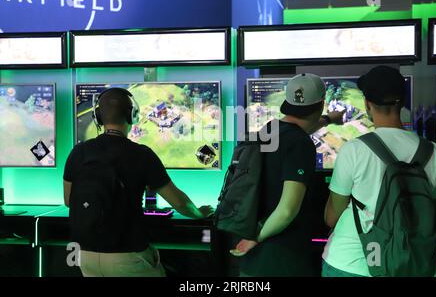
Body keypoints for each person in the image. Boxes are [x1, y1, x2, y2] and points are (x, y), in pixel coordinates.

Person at [63, 88, 214, 277]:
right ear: (132, 115)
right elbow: (179, 202)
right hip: (127, 254)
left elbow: (69, 201)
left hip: (85, 255)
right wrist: (200, 213)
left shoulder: (78, 152)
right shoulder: (142, 154)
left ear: (98, 117)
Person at [322, 66, 436, 277]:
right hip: (411, 263)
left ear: (368, 105)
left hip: (351, 262)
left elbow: (332, 217)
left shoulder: (354, 149)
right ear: (403, 102)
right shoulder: (434, 152)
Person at [230, 73, 344, 276]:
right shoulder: (301, 144)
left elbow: (297, 131)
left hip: (254, 261)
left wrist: (327, 120)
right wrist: (254, 238)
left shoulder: (271, 128)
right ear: (321, 104)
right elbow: (287, 211)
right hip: (282, 260)